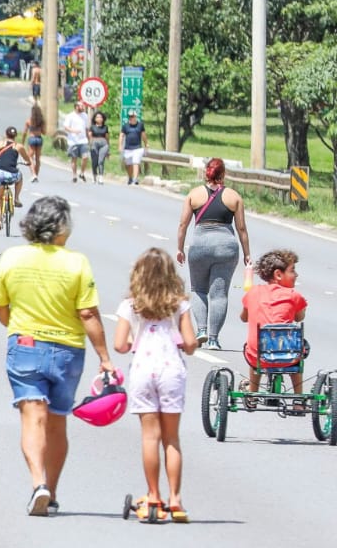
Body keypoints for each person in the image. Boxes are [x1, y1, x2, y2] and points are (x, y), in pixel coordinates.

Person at [0, 196, 115, 516]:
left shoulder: (12, 258)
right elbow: (87, 313)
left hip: (26, 346)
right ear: (62, 228)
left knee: (33, 417)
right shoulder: (77, 263)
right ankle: (52, 492)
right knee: (57, 422)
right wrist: (104, 357)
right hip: (68, 352)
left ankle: (38, 484)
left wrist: (17, 327)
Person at [113, 248, 199, 523]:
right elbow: (190, 343)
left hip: (143, 370)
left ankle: (153, 495)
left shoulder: (130, 305)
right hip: (171, 370)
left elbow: (120, 344)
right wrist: (184, 343)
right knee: (171, 438)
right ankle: (175, 499)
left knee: (150, 437)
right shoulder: (180, 305)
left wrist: (133, 342)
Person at [176, 158, 251, 350]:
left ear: (206, 173)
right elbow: (242, 229)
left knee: (198, 289)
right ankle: (214, 339)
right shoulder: (234, 197)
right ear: (223, 174)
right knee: (219, 294)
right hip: (226, 247)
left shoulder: (193, 195)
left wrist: (180, 248)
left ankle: (201, 330)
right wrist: (247, 254)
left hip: (200, 245)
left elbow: (183, 225)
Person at [240, 249, 308, 395]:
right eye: (292, 270)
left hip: (258, 356)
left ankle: (252, 392)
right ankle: (298, 397)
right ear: (278, 274)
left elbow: (244, 317)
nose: (296, 275)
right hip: (289, 357)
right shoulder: (294, 295)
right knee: (298, 348)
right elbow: (299, 317)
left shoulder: (253, 292)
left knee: (256, 347)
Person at [62, 103, 90, 183]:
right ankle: (74, 175)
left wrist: (88, 138)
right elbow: (66, 127)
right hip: (73, 141)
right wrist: (74, 131)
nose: (83, 107)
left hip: (83, 140)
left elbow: (86, 128)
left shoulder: (85, 116)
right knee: (74, 158)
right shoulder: (70, 116)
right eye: (81, 106)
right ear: (76, 107)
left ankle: (82, 173)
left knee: (85, 157)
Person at [120, 112, 147, 185]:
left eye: (133, 116)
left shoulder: (140, 125)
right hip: (128, 148)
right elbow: (121, 135)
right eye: (130, 116)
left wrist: (146, 144)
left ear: (136, 117)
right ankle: (130, 177)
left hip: (137, 148)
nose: (131, 118)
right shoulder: (125, 126)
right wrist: (120, 145)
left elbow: (143, 135)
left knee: (136, 162)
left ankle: (135, 179)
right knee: (128, 164)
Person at [88, 110, 111, 184]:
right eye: (97, 117)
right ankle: (94, 175)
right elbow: (90, 136)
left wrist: (108, 149)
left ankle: (101, 177)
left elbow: (107, 137)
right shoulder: (92, 127)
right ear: (95, 119)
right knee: (94, 161)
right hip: (94, 143)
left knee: (101, 161)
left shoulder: (105, 127)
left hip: (103, 144)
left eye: (101, 117)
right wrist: (90, 144)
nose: (99, 119)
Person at [25, 100, 46, 181]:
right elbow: (44, 132)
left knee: (30, 157)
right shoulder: (41, 121)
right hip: (39, 138)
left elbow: (24, 132)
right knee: (37, 158)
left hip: (32, 138)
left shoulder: (29, 121)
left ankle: (33, 174)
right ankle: (36, 174)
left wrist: (22, 141)